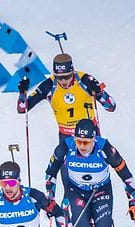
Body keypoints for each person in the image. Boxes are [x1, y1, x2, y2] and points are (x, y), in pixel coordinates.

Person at [16, 53, 116, 196]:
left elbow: (111, 106)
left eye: (67, 76)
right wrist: (22, 93)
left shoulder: (85, 80)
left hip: (91, 137)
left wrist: (99, 92)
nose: (63, 81)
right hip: (66, 137)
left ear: (72, 72)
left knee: (97, 178)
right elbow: (22, 109)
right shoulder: (49, 85)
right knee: (68, 182)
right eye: (59, 77)